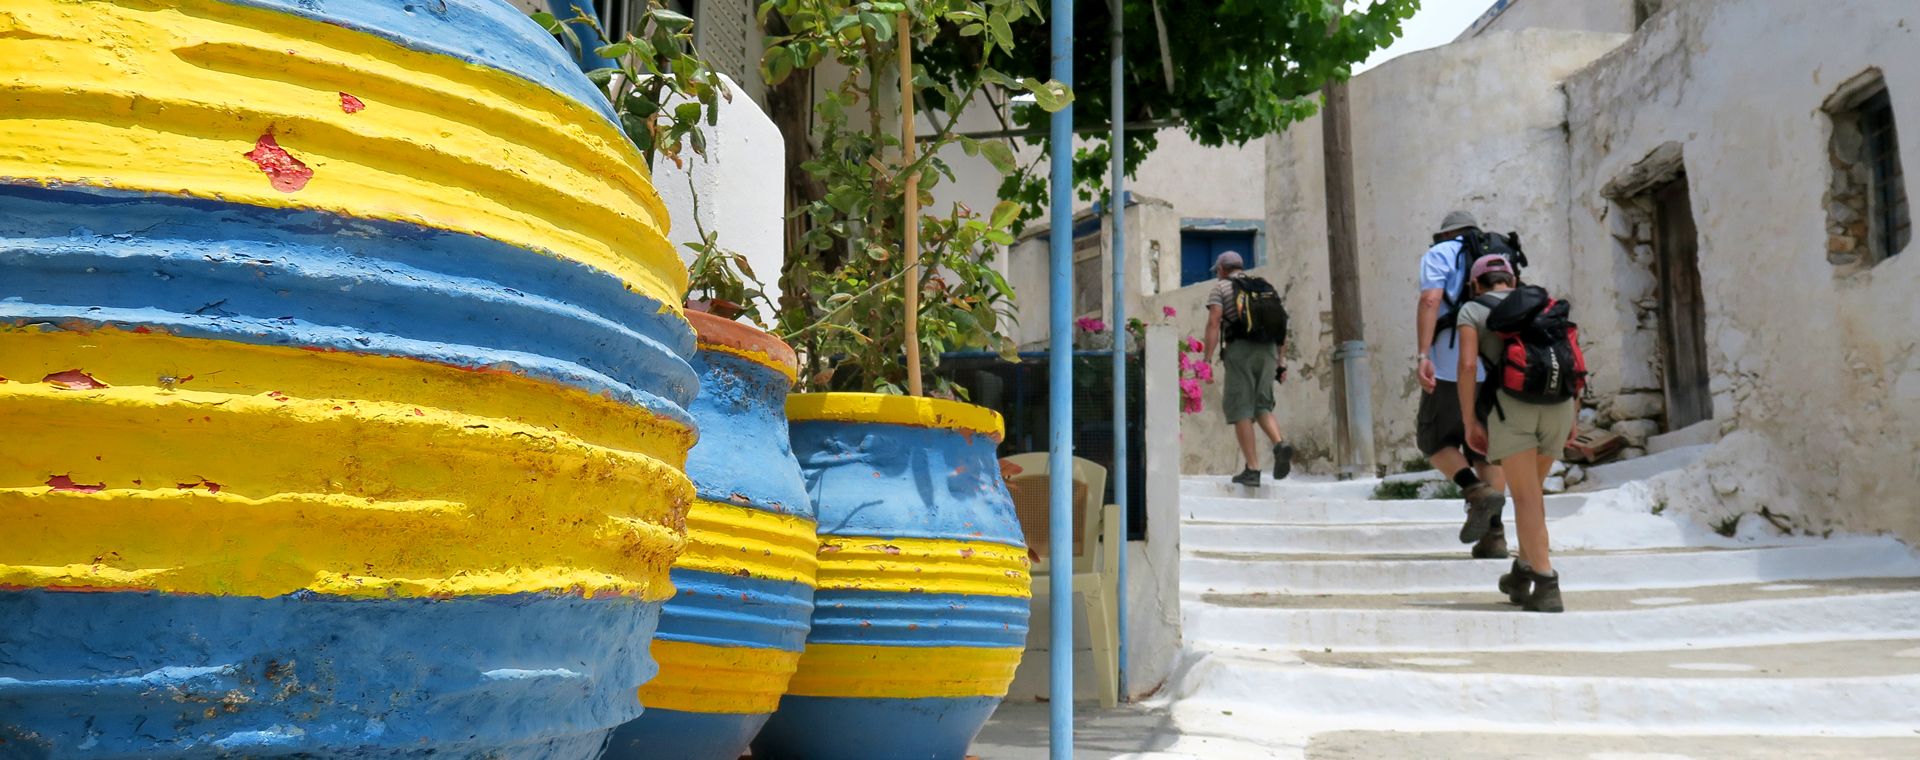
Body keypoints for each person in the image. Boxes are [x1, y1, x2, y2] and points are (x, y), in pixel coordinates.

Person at [1456, 254, 1580, 613]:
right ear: (1512, 279)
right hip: (1558, 405)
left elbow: (1466, 366)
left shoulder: (1472, 311)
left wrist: (1469, 421)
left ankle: (1546, 582)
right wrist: (1573, 414)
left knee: (1526, 499)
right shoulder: (1545, 304)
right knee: (1533, 496)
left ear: (1476, 284)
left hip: (1513, 409)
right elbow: (1572, 357)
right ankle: (1521, 572)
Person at [1416, 211, 1509, 558]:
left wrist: (1423, 354)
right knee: (1485, 448)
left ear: (1446, 234)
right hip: (1495, 365)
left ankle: (1474, 490)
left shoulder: (1439, 254)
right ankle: (1494, 536)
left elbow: (1430, 299)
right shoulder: (1497, 256)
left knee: (1433, 439)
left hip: (1451, 365)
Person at [1202, 251, 1292, 487]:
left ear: (1221, 268)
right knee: (1262, 404)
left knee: (1241, 407)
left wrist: (1207, 360)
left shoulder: (1221, 288)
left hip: (1241, 351)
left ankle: (1252, 469)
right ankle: (1280, 443)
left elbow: (1214, 322)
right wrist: (1281, 362)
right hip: (1269, 351)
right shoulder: (1264, 287)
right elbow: (1281, 325)